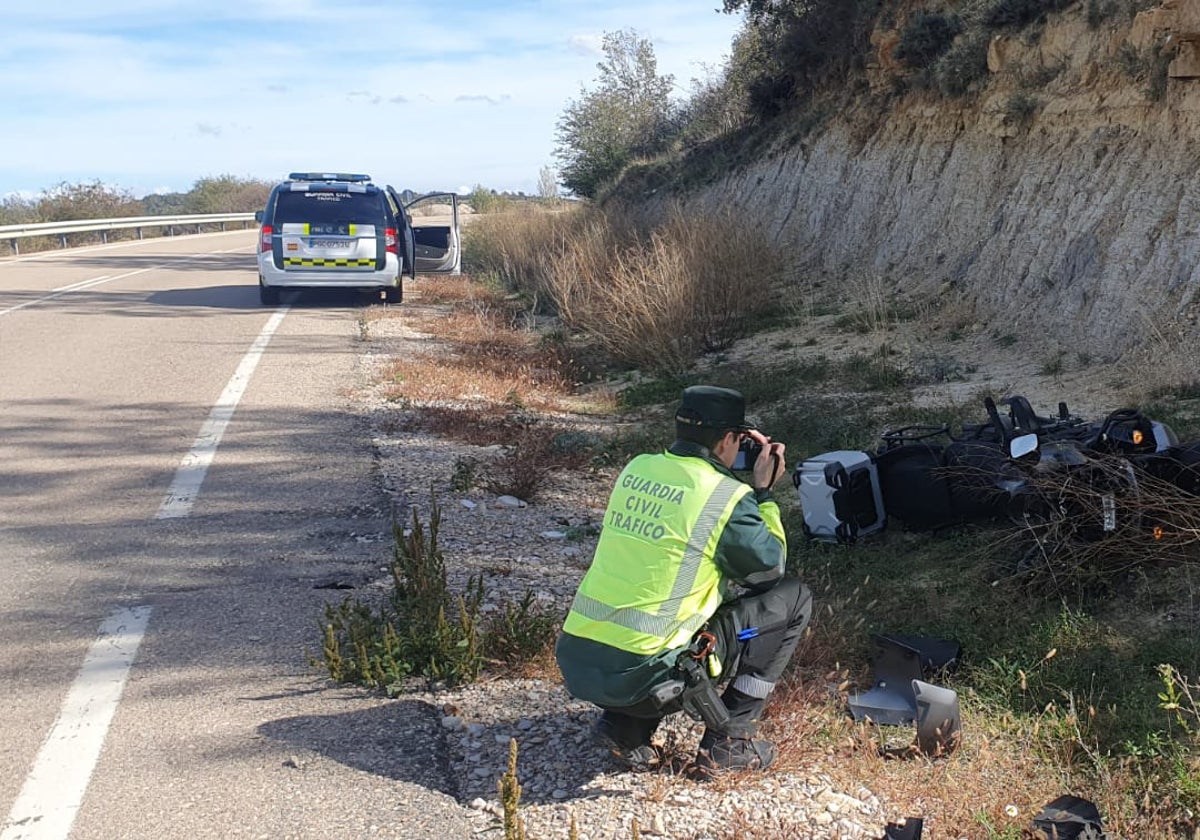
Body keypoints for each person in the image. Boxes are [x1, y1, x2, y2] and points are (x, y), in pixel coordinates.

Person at [555, 385, 813, 772]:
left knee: (662, 608)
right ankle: (729, 741)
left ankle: (624, 726)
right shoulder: (723, 495)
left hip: (581, 661)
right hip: (650, 677)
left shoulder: (637, 469)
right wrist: (764, 494)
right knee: (794, 598)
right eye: (739, 439)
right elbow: (767, 569)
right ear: (729, 438)